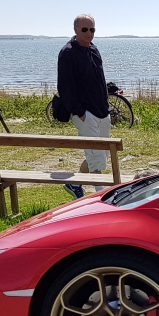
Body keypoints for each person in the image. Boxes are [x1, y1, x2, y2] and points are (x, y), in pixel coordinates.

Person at [56, 13, 111, 199]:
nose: (89, 33)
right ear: (76, 30)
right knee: (95, 156)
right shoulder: (68, 53)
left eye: (92, 29)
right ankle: (102, 198)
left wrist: (106, 105)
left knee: (102, 154)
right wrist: (80, 113)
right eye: (85, 29)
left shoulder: (94, 49)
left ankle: (74, 182)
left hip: (102, 111)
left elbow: (100, 79)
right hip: (85, 113)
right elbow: (64, 87)